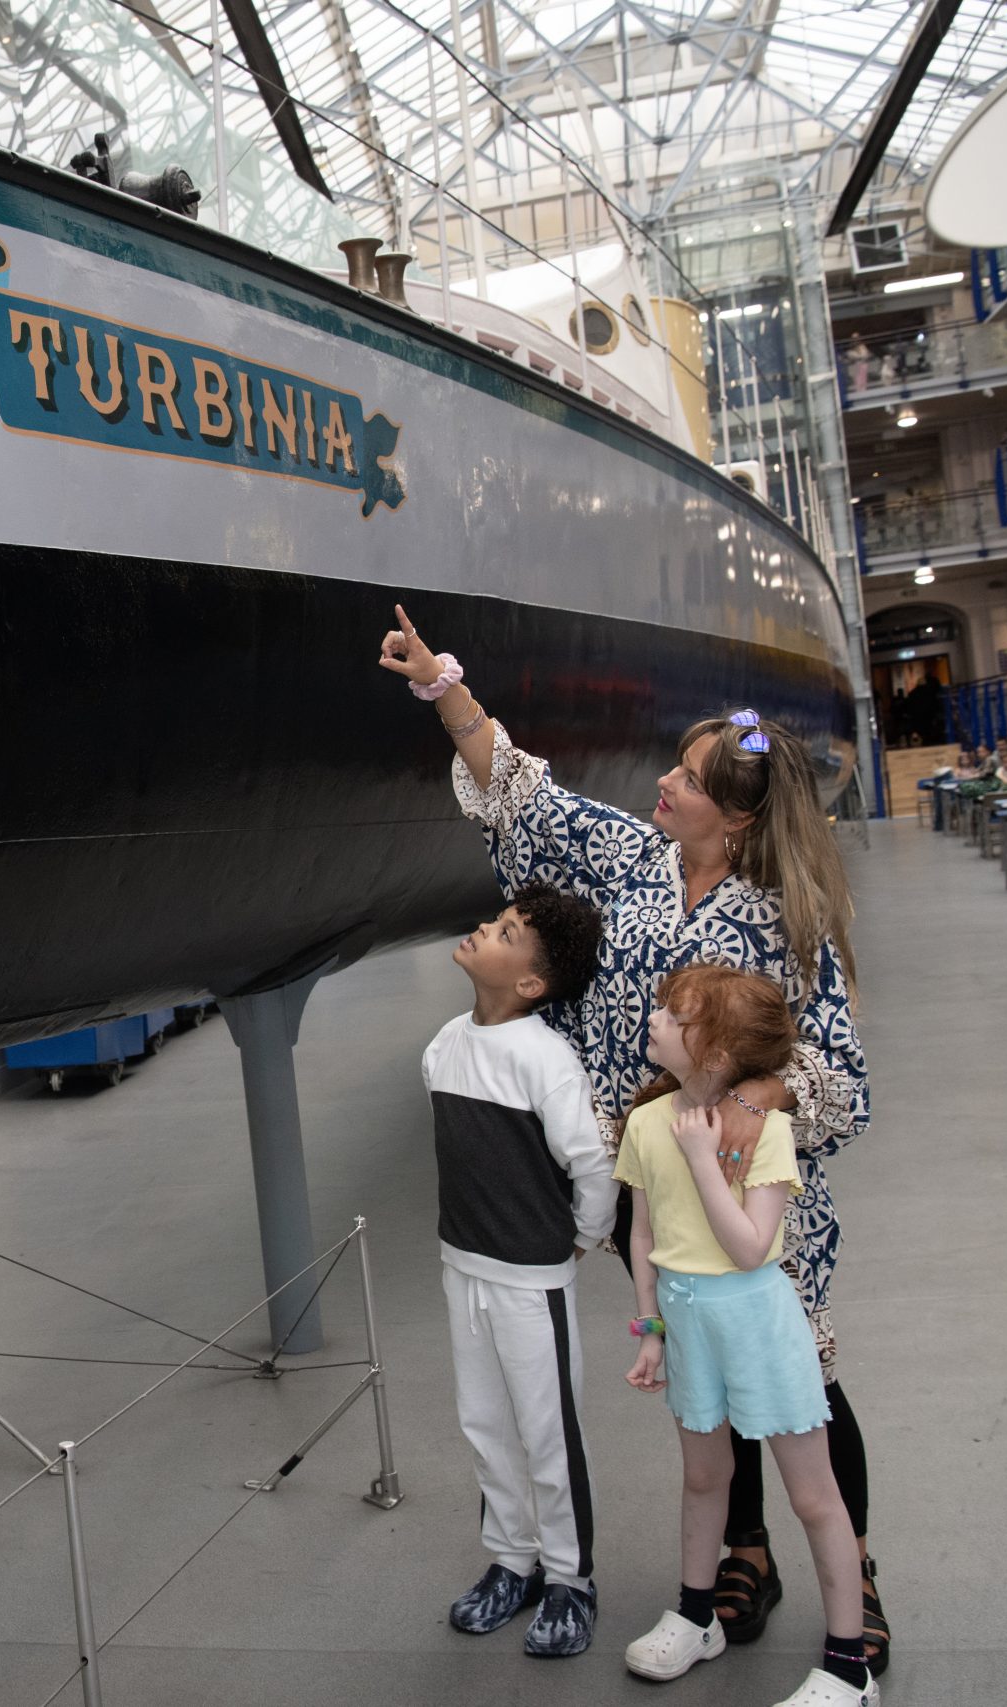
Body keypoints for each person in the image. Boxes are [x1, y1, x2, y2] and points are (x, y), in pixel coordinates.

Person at [375, 609, 885, 1675]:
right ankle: (742, 1551)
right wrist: (443, 689)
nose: (664, 783)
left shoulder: (788, 922)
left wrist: (731, 1103)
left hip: (752, 1200)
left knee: (799, 1385)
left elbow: (836, 1078)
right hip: (653, 1188)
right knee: (705, 1378)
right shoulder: (631, 861)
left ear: (734, 820)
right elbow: (528, 799)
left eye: (688, 778)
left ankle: (857, 1575)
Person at [615, 964, 875, 1706]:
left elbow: (751, 1247)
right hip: (689, 1321)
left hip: (759, 1323)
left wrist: (702, 1161)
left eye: (675, 1012)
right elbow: (642, 1235)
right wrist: (651, 1330)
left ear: (720, 1053)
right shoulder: (645, 1121)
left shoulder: (767, 1131)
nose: (656, 1017)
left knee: (813, 1494)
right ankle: (698, 1614)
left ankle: (847, 1664)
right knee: (704, 1476)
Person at [423, 883, 616, 1658]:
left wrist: (582, 1236)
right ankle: (512, 1560)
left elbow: (591, 1163)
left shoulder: (546, 1058)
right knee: (484, 1421)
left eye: (503, 931)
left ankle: (571, 1577)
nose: (482, 928)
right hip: (461, 1268)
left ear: (531, 982)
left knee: (546, 1429)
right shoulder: (442, 1045)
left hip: (532, 1282)